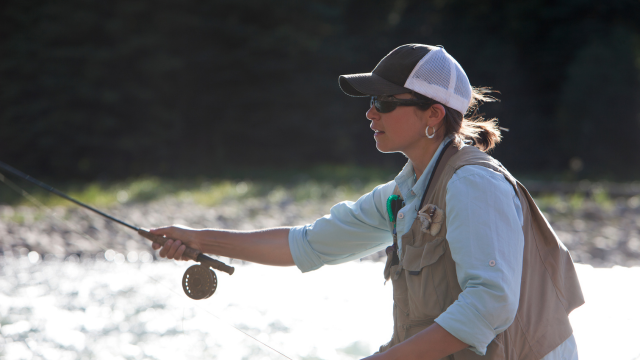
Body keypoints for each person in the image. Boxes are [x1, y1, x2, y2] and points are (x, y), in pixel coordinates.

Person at [150, 44, 584, 360]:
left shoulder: (473, 184)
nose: (370, 113)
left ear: (434, 114)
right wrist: (196, 238)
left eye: (384, 102)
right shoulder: (406, 191)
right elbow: (307, 244)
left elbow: (491, 303)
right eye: (370, 102)